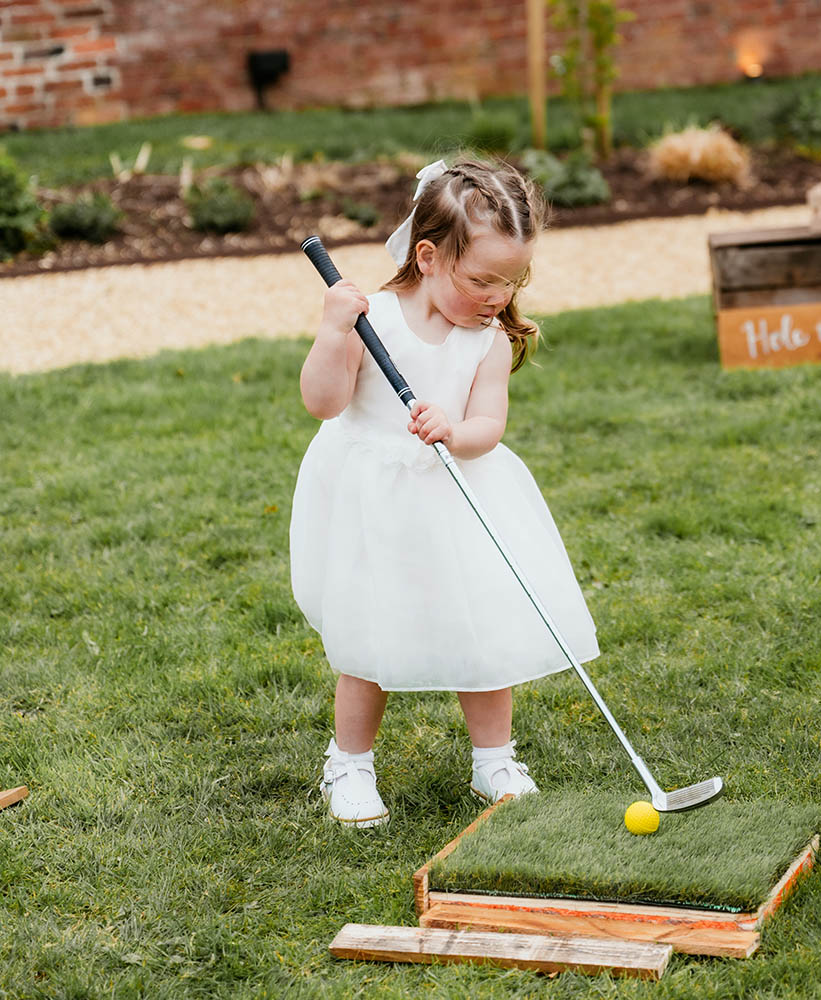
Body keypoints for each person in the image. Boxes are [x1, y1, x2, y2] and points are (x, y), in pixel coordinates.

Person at [290, 159, 599, 828]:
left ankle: (495, 759)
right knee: (370, 637)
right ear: (427, 257)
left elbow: (489, 425)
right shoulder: (375, 323)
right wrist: (332, 330)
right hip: (375, 503)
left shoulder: (486, 339)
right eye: (482, 279)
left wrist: (456, 431)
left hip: (457, 497)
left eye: (512, 281)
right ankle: (349, 764)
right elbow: (324, 402)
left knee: (480, 626)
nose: (497, 296)